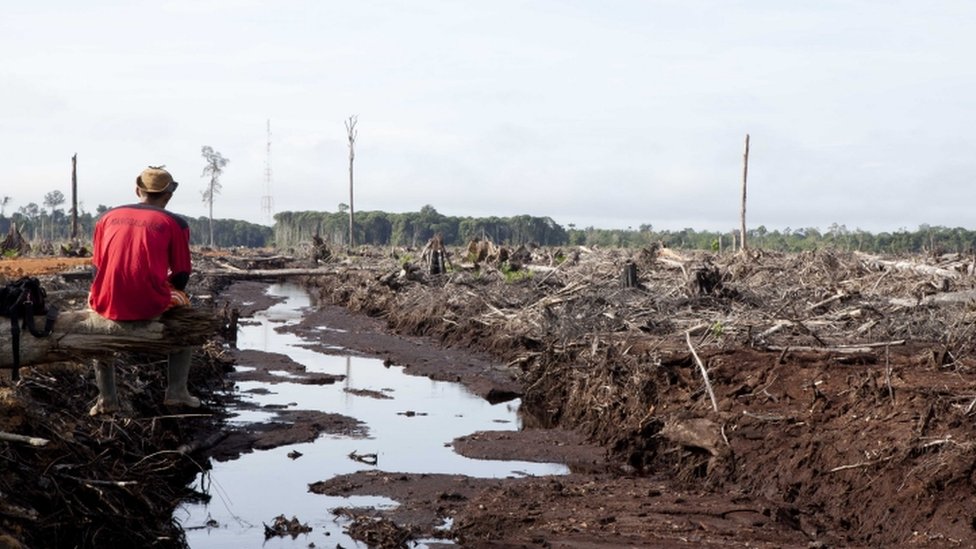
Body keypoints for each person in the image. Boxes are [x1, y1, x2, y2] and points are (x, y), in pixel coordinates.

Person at [87, 166, 200, 416]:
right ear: (168, 196)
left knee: (95, 325)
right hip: (149, 304)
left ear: (137, 190)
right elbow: (181, 275)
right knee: (187, 320)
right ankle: (177, 391)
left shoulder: (106, 218)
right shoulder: (175, 222)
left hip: (105, 301)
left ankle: (107, 398)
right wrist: (161, 293)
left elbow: (96, 270)